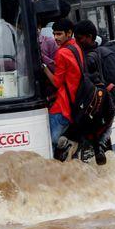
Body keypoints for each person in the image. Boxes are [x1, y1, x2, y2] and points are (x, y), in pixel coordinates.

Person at [73, 20, 115, 165]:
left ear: (89, 36)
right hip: (103, 104)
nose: (77, 41)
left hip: (96, 104)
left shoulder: (89, 57)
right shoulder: (100, 50)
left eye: (79, 38)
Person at [41, 18, 83, 155]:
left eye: (59, 34)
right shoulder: (76, 47)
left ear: (69, 33)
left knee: (50, 145)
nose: (55, 38)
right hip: (75, 105)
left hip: (62, 107)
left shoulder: (62, 53)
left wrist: (44, 68)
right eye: (54, 34)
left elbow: (57, 82)